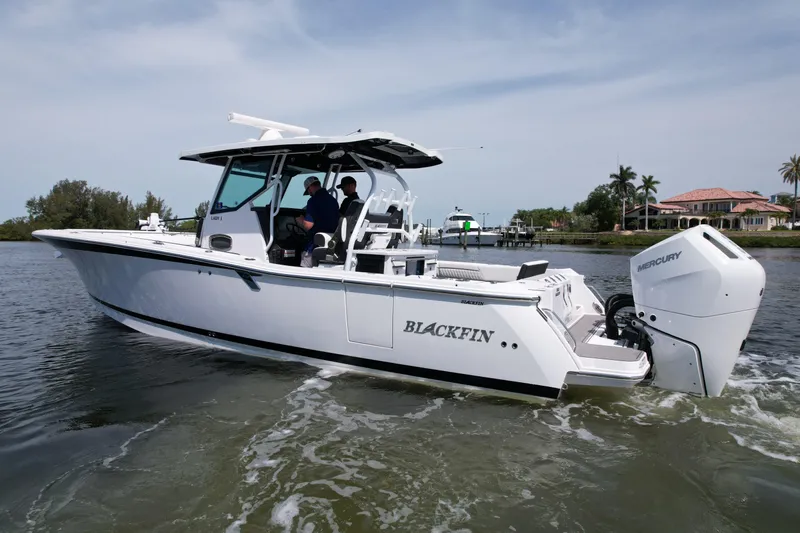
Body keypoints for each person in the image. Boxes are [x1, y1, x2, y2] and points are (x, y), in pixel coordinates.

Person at [295, 176, 339, 267]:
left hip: (316, 242)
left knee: (304, 262)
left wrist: (301, 220)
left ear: (310, 187)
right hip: (331, 242)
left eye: (308, 191)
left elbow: (308, 225)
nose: (309, 193)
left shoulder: (313, 201)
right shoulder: (333, 201)